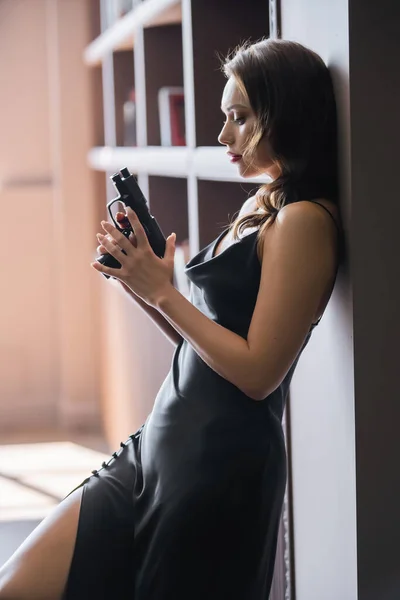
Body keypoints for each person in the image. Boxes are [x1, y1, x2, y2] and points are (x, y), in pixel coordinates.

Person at [0, 37, 343, 599]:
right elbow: (202, 346)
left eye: (240, 117)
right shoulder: (265, 207)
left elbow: (259, 374)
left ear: (285, 115)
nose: (223, 135)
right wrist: (142, 283)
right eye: (223, 116)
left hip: (215, 468)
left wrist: (163, 293)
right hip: (160, 446)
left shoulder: (305, 222)